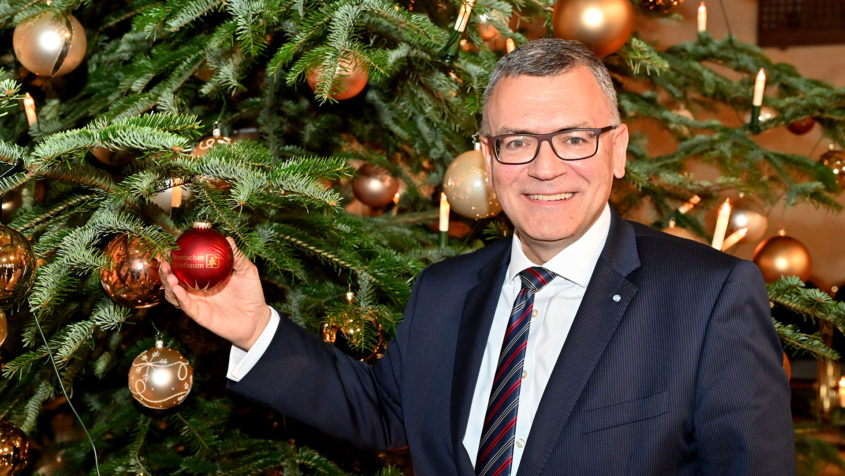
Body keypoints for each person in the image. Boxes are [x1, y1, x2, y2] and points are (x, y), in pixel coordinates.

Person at [160, 39, 796, 475]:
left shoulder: (711, 297)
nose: (546, 168)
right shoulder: (445, 290)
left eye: (574, 138)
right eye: (517, 142)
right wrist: (252, 327)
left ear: (618, 149)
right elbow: (383, 413)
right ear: (489, 163)